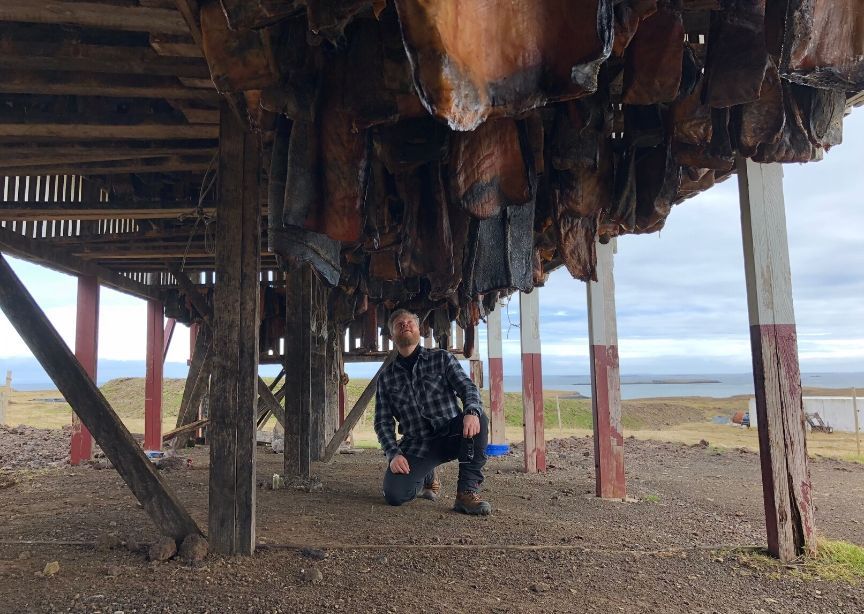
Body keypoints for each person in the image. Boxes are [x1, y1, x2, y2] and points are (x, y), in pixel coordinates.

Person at [373, 308, 491, 515]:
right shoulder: (386, 378)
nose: (405, 325)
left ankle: (466, 493)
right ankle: (426, 475)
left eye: (410, 322)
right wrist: (393, 454)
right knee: (395, 495)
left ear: (420, 331)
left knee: (479, 417)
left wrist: (471, 411)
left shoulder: (442, 358)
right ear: (392, 336)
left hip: (452, 434)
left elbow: (468, 388)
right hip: (418, 444)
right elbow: (382, 422)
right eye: (399, 324)